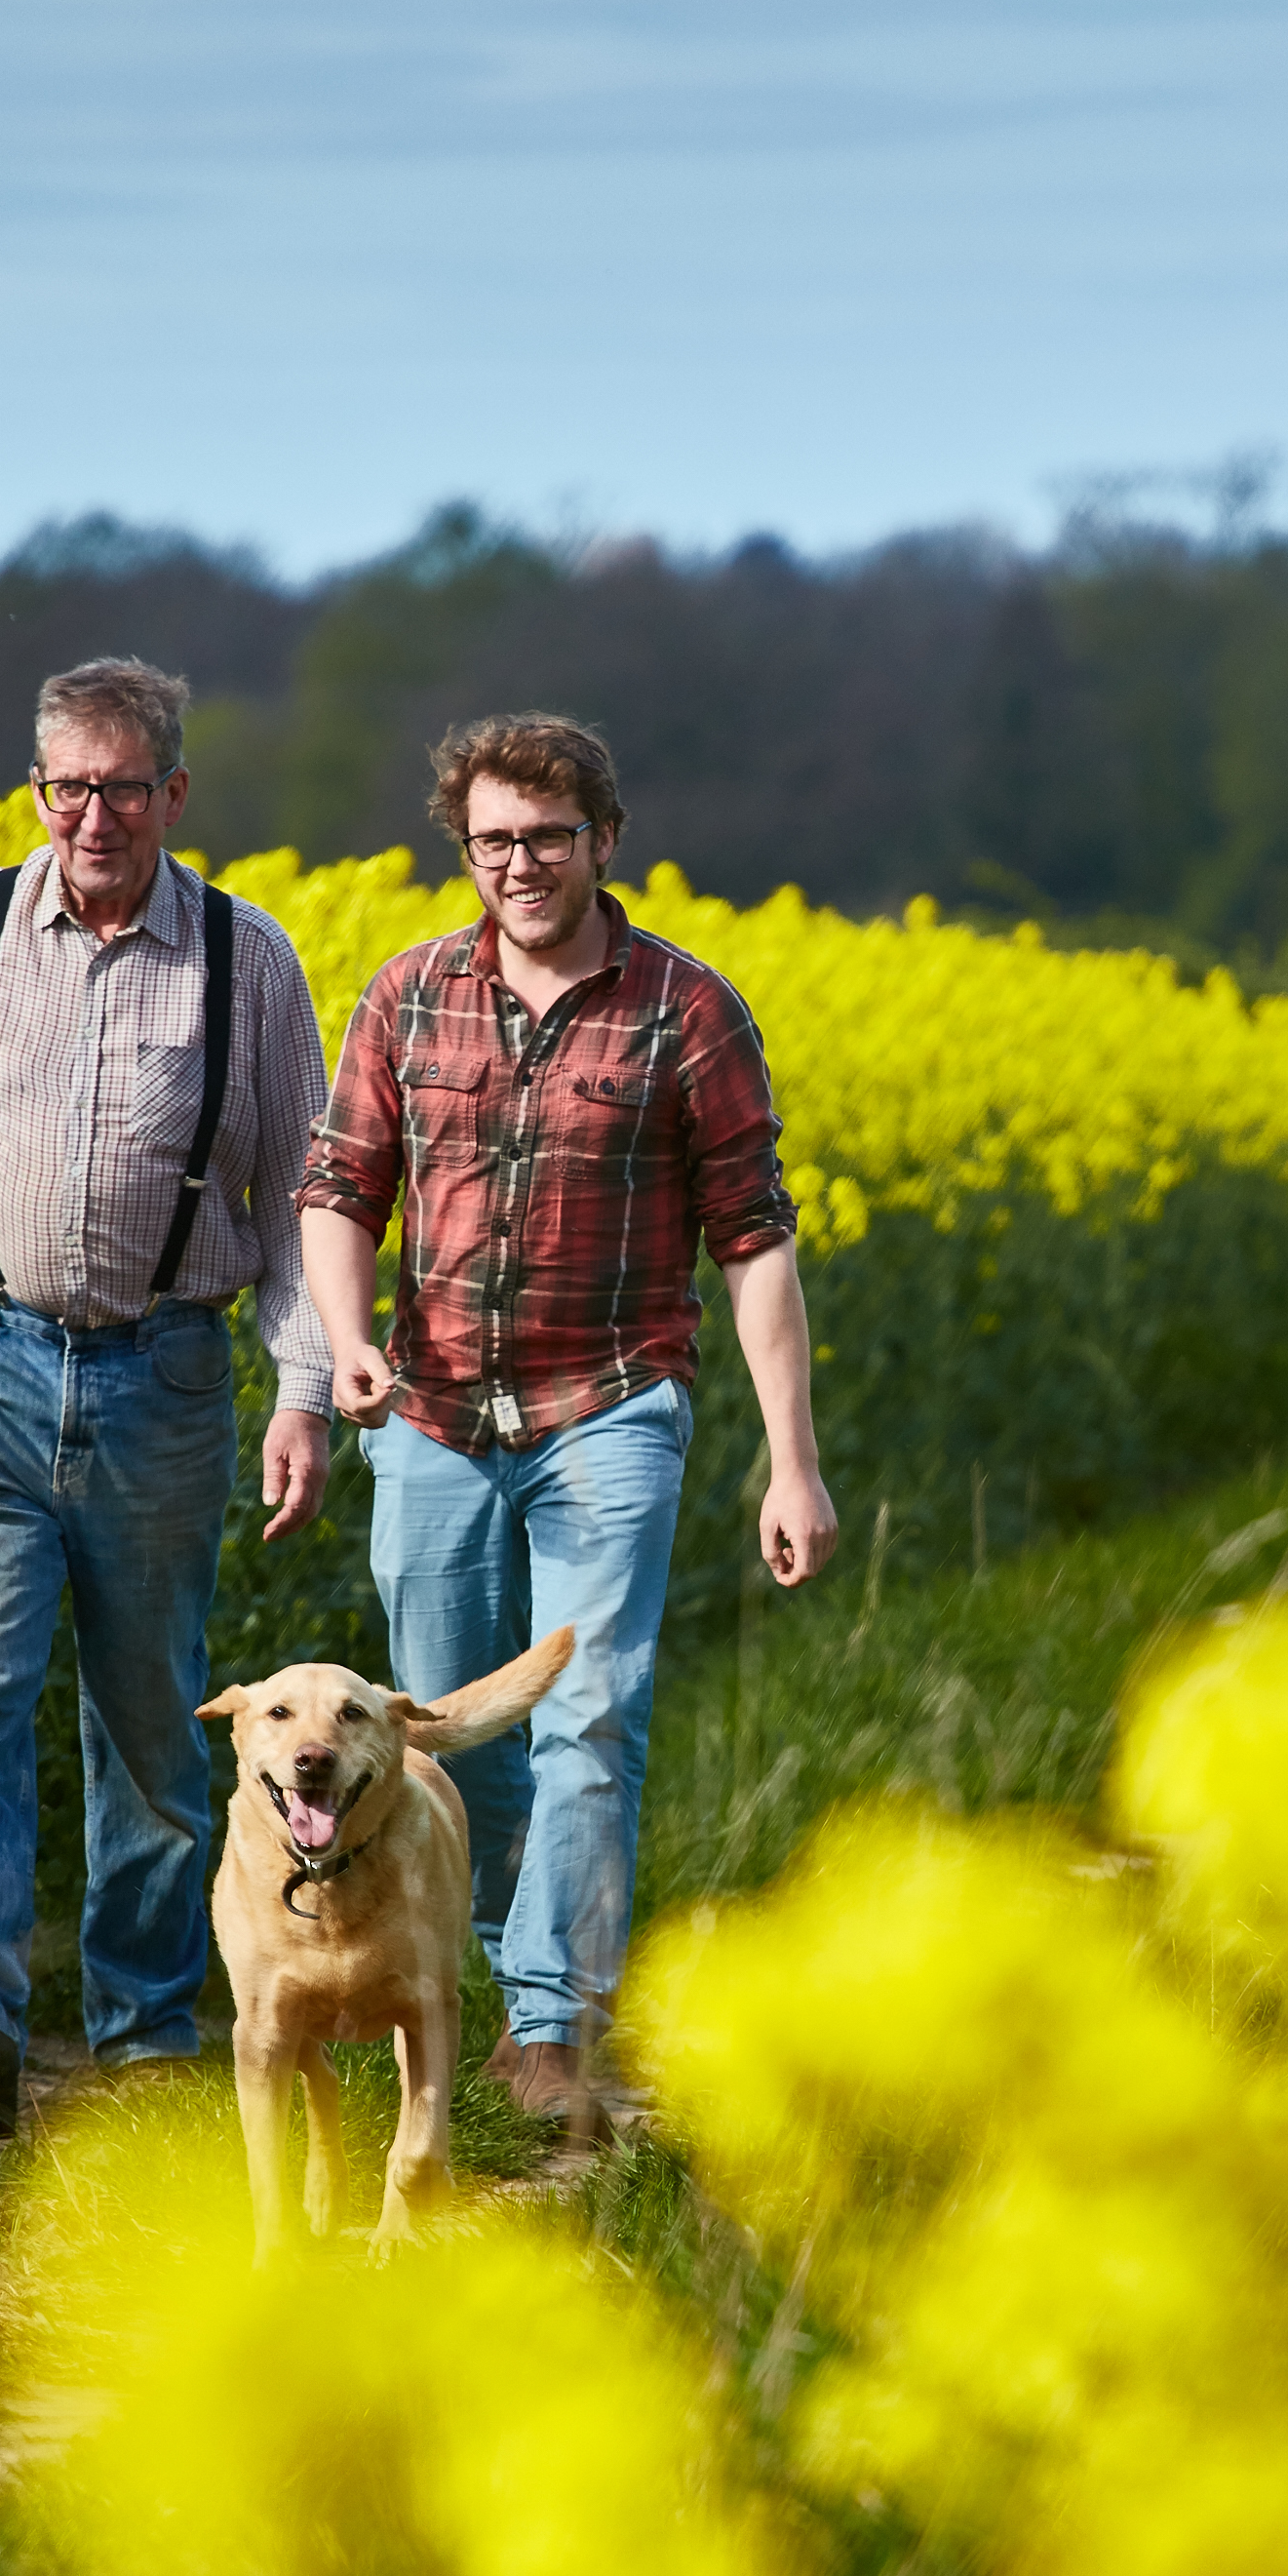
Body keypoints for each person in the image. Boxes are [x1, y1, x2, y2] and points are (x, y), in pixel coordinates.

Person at [296, 711, 839, 2133]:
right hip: (429, 1412)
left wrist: (794, 1464)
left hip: (610, 1404)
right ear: (462, 849)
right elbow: (341, 1193)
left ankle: (552, 2029)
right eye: (491, 842)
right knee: (431, 1728)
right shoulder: (407, 996)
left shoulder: (687, 1010)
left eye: (545, 837)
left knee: (590, 1717)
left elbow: (755, 1241)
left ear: (605, 836)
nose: (519, 864)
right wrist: (350, 1344)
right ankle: (461, 1987)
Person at [0, 657, 332, 2146]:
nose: (92, 815)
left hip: (163, 1373)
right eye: (67, 787)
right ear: (34, 790)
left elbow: (300, 1200)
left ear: (174, 794)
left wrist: (303, 1388)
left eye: (121, 787)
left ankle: (146, 2042)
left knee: (156, 1727)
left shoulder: (248, 961)